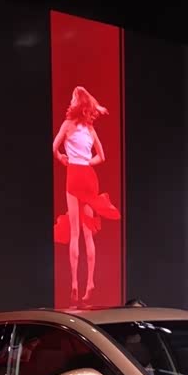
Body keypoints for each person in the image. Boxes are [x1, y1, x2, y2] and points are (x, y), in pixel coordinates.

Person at [52, 86, 121, 307]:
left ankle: (74, 282)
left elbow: (54, 147)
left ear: (76, 103)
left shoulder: (67, 125)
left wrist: (62, 157)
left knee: (75, 233)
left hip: (73, 175)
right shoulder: (90, 129)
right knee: (88, 233)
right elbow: (102, 156)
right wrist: (87, 162)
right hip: (89, 176)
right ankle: (90, 282)